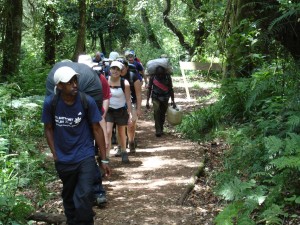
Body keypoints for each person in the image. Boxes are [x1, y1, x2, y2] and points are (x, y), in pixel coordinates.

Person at [42, 66, 111, 224]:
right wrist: (55, 154)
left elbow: (97, 129)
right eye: (69, 82)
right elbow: (48, 129)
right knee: (69, 196)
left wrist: (104, 159)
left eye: (75, 80)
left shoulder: (86, 101)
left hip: (85, 155)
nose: (74, 84)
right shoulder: (50, 103)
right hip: (64, 159)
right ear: (59, 86)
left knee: (84, 195)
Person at [78, 54, 111, 206]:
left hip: (93, 121)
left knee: (90, 155)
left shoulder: (100, 78)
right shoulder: (69, 81)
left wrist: (100, 116)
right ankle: (83, 193)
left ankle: (97, 191)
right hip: (75, 124)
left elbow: (104, 97)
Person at [106, 61, 132, 163]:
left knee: (121, 132)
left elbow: (128, 99)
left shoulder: (124, 83)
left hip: (121, 110)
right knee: (108, 132)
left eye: (117, 69)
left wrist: (129, 114)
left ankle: (124, 152)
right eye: (113, 68)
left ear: (121, 72)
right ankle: (106, 156)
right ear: (110, 70)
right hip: (109, 110)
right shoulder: (105, 81)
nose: (115, 71)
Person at [115, 58, 142, 154]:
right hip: (118, 105)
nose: (120, 70)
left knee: (131, 125)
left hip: (132, 103)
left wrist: (139, 108)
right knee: (120, 126)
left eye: (122, 68)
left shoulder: (133, 77)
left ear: (127, 67)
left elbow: (138, 95)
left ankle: (131, 142)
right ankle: (120, 146)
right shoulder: (114, 78)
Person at [146, 65, 176, 137]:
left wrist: (173, 100)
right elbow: (149, 88)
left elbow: (170, 88)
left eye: (161, 74)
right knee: (156, 112)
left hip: (165, 97)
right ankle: (158, 130)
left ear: (163, 73)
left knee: (162, 113)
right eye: (158, 74)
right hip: (155, 97)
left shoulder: (167, 77)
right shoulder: (153, 77)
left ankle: (161, 128)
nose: (159, 75)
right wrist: (147, 101)